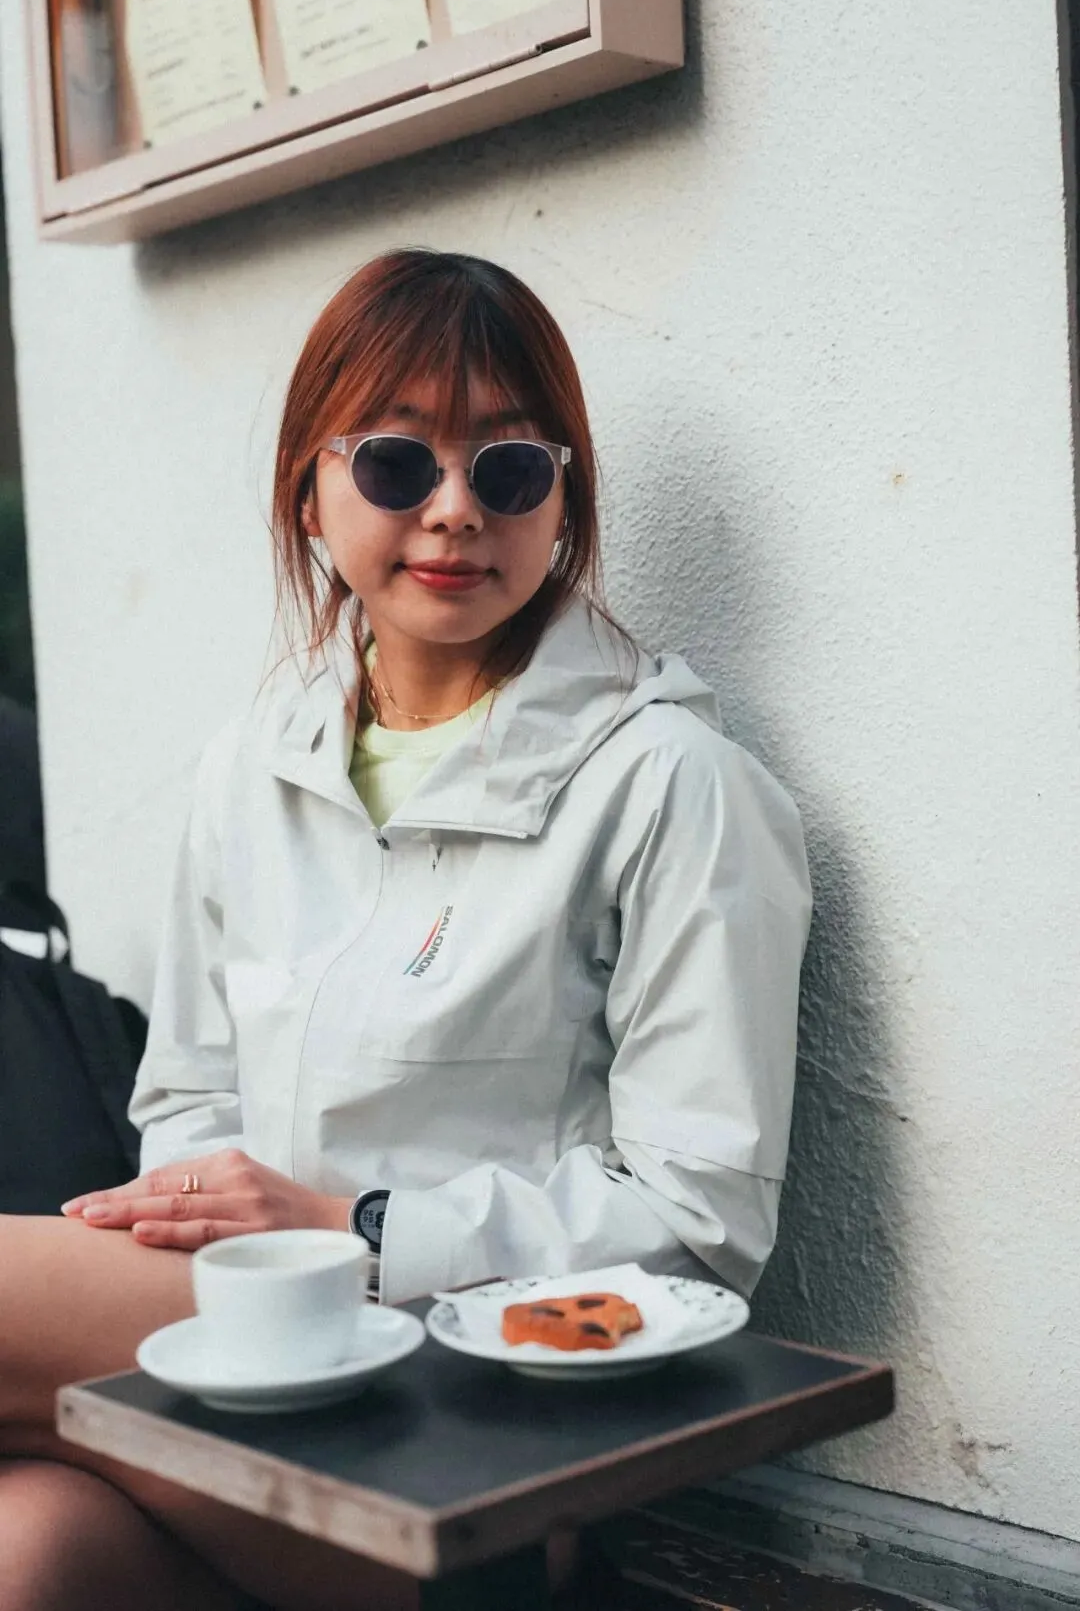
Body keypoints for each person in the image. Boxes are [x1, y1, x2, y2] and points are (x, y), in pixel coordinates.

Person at [0, 249, 812, 1611]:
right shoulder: (254, 767)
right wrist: (226, 1232)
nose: (453, 511)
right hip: (259, 1344)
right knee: (29, 1556)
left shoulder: (673, 785)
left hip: (503, 1416)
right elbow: (190, 1093)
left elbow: (702, 1220)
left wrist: (358, 1231)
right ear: (308, 491)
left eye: (509, 469)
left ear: (562, 500)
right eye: (394, 463)